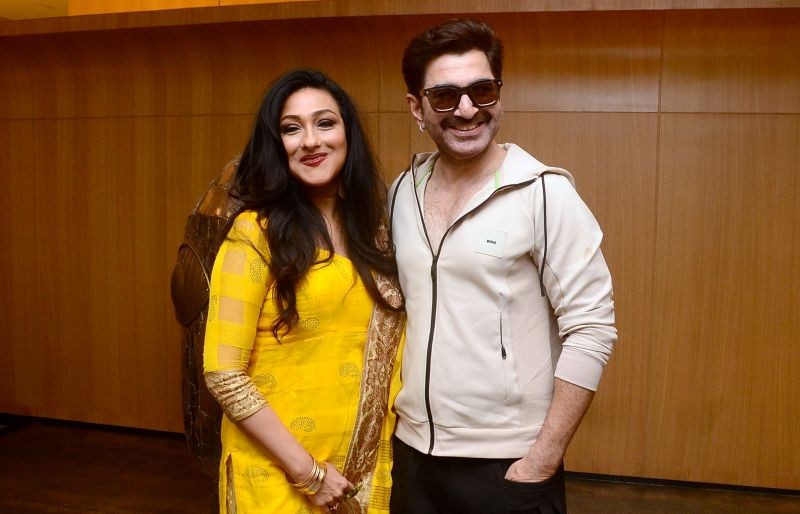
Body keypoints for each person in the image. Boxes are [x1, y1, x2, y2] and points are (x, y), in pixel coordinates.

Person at [388, 19, 617, 514]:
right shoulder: (401, 192)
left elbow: (592, 328)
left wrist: (542, 460)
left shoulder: (545, 193)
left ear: (499, 94)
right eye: (445, 96)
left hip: (509, 466)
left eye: (482, 90)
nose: (467, 109)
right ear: (417, 108)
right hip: (412, 457)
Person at [203, 69, 404, 514]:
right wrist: (308, 473)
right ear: (277, 145)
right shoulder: (255, 234)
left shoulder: (376, 231)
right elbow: (223, 372)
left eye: (325, 123)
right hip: (280, 476)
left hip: (360, 472)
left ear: (347, 133)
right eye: (292, 129)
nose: (310, 141)